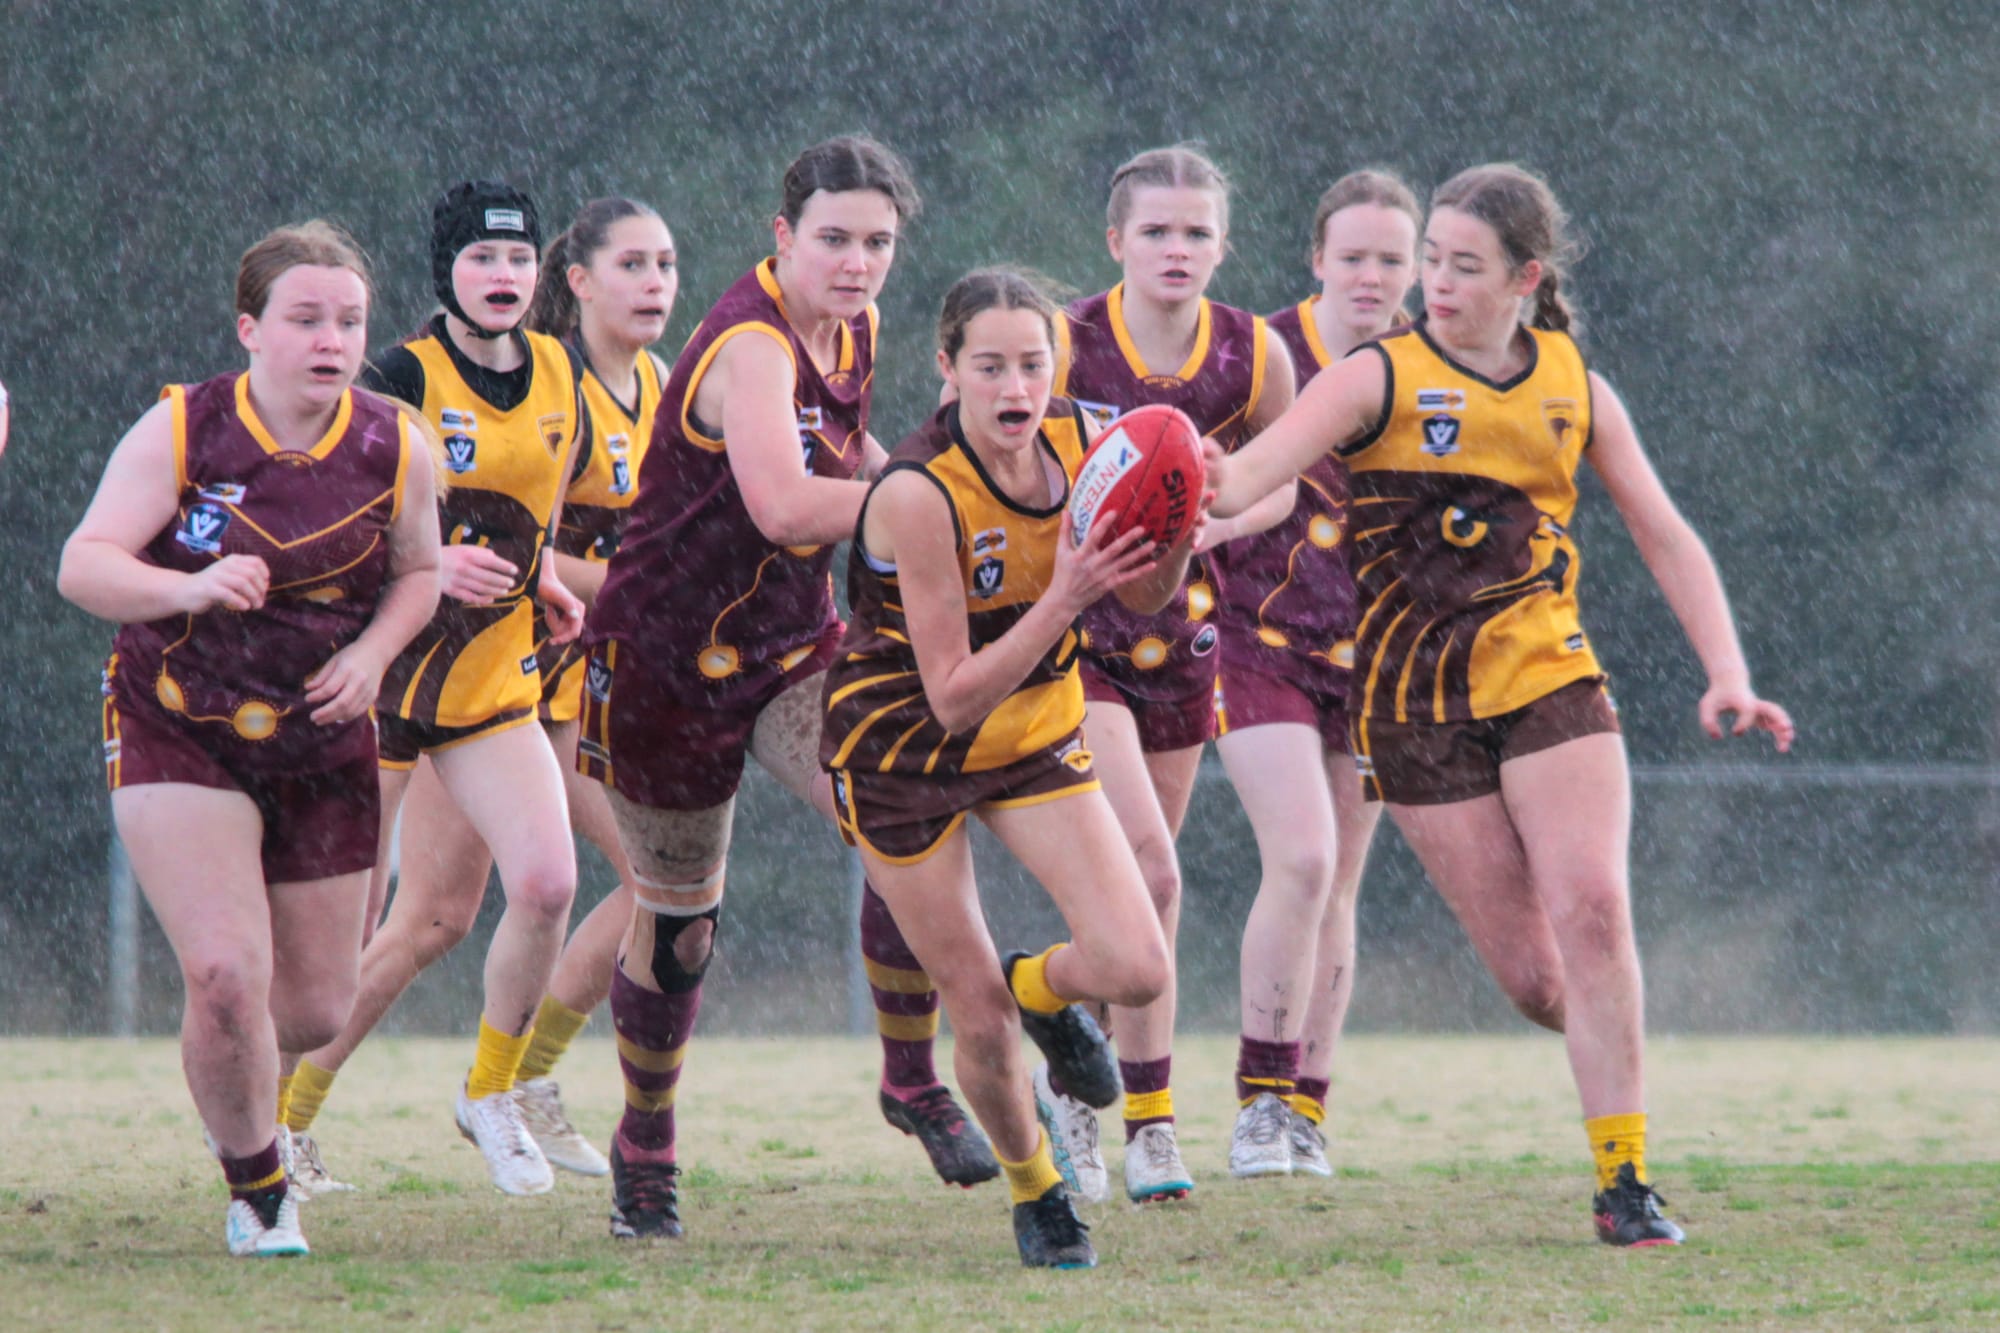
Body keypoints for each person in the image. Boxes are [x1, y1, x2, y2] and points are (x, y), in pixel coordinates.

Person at [1205, 163, 1794, 1246]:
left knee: (1595, 912)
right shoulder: (1372, 377)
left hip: (1544, 673)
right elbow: (1249, 480)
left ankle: (1623, 1180)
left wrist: (1726, 671)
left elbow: (1661, 531)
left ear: (1525, 278)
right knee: (1535, 978)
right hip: (1411, 708)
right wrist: (1194, 475)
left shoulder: (1572, 383)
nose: (1431, 281)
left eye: (1460, 267)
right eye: (1427, 258)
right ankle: (1608, 1046)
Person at [577, 136, 989, 1239]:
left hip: (792, 647)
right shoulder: (750, 346)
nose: (857, 264)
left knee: (905, 818)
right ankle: (645, 1144)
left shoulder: (851, 326)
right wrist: (928, 505)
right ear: (781, 237)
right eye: (834, 240)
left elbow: (850, 471)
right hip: (664, 666)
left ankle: (909, 1079)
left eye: (878, 243)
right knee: (679, 932)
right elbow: (783, 506)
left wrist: (927, 488)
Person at [58, 221, 441, 1256]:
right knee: (226, 975)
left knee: (313, 1009)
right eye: (306, 318)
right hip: (178, 720)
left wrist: (372, 658)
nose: (331, 339)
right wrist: (187, 584)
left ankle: (237, 1075)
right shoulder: (185, 428)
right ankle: (259, 1189)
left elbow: (420, 571)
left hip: (320, 738)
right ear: (250, 330)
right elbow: (84, 564)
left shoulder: (392, 438)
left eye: (350, 321)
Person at [825, 267, 1195, 1267]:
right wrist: (1068, 596)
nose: (1012, 386)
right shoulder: (914, 490)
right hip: (902, 749)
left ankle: (1043, 989)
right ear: (945, 371)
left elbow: (1153, 595)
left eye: (1031, 362)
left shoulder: (1094, 441)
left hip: (1031, 729)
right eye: (986, 365)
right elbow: (949, 694)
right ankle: (1038, 1191)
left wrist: (1175, 528)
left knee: (1132, 962)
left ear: (1056, 366)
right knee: (975, 1020)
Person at [282, 181, 590, 1199]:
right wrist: (431, 564)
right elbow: (337, 521)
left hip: (489, 685)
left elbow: (531, 514)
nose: (502, 278)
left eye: (517, 260)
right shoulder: (399, 375)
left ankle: (490, 1093)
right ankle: (275, 1126)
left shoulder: (558, 369)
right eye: (479, 260)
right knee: (344, 942)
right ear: (444, 272)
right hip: (378, 681)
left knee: (545, 883)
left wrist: (540, 579)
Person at [1041, 143, 1296, 1203]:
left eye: (1196, 232)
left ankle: (1118, 1107)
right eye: (1154, 230)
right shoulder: (1064, 340)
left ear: (1222, 245)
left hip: (1185, 643)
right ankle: (1113, 1116)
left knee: (1137, 899)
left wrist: (1217, 501)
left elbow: (1282, 483)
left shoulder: (1251, 353)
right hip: (1078, 644)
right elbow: (1003, 453)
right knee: (1149, 873)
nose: (1176, 249)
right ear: (1114, 242)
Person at [1214, 169, 1421, 1179]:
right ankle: (1256, 1100)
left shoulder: (1436, 370)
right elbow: (1197, 480)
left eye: (1392, 258)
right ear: (1315, 260)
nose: (1371, 276)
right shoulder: (1263, 353)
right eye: (1353, 256)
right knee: (1298, 857)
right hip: (1257, 643)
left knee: (1338, 880)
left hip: (1378, 659)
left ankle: (1305, 1107)